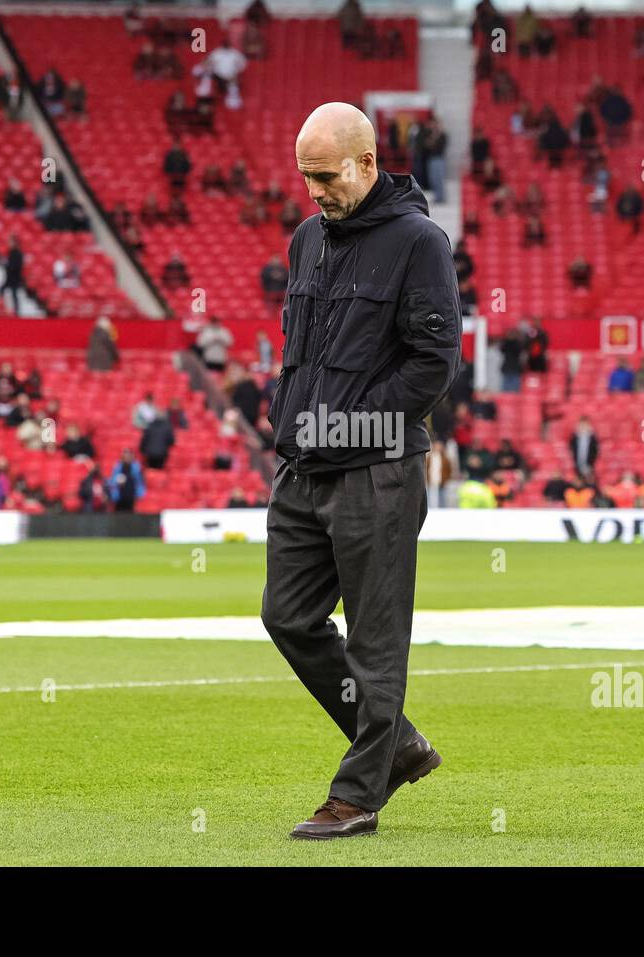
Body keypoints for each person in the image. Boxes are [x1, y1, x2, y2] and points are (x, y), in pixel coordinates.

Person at [263, 102, 460, 841]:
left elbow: (433, 364)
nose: (314, 190)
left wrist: (349, 422)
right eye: (306, 176)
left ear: (368, 164)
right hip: (304, 464)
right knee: (286, 615)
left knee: (377, 640)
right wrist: (290, 423)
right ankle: (398, 743)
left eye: (326, 175)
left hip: (377, 468)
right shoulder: (305, 240)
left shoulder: (420, 244)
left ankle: (358, 793)